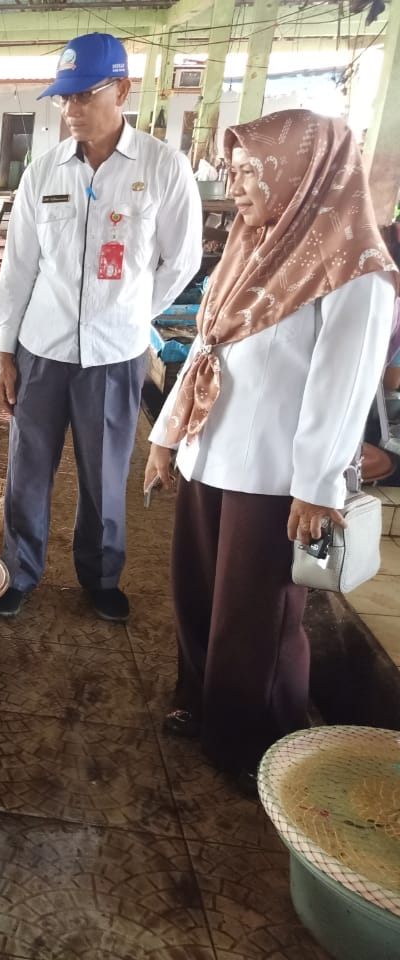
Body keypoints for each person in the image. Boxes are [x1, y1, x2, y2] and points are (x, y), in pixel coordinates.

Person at [145, 110, 398, 782]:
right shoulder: (250, 246)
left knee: (254, 620)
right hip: (211, 454)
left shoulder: (355, 267)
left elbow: (341, 386)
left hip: (273, 477)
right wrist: (166, 439)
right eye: (235, 173)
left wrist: (317, 485)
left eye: (252, 172)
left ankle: (254, 742)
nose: (239, 187)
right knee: (196, 594)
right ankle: (199, 702)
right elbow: (205, 348)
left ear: (304, 172)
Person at [0, 33, 203, 622]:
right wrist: (5, 351)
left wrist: (133, 311)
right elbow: (19, 268)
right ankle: (19, 572)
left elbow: (181, 262)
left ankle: (101, 578)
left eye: (85, 95)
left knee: (107, 473)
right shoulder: (44, 171)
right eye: (64, 99)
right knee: (26, 469)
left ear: (123, 92)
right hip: (42, 347)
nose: (72, 110)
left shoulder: (163, 167)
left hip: (115, 352)